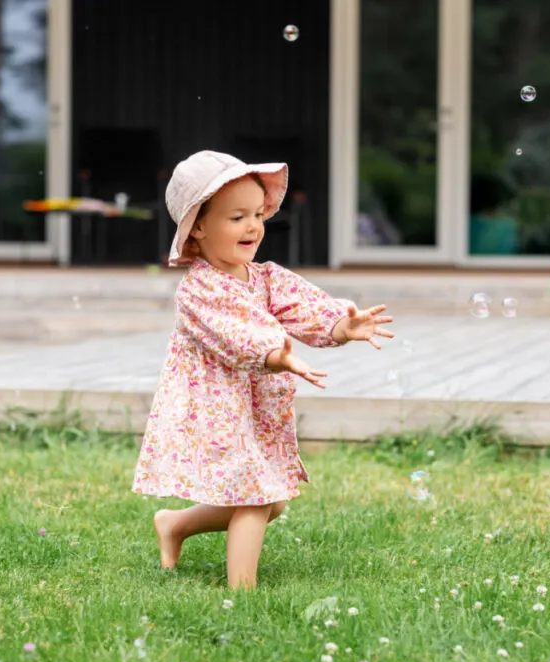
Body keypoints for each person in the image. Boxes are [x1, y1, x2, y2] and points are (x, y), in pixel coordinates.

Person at [132, 150, 396, 590]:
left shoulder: (264, 278)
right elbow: (235, 335)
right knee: (257, 499)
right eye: (237, 217)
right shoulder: (198, 290)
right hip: (214, 411)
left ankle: (175, 525)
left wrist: (341, 324)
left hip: (252, 410)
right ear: (197, 225)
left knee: (273, 503)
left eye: (258, 214)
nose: (254, 226)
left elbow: (303, 305)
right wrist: (278, 355)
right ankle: (243, 592)